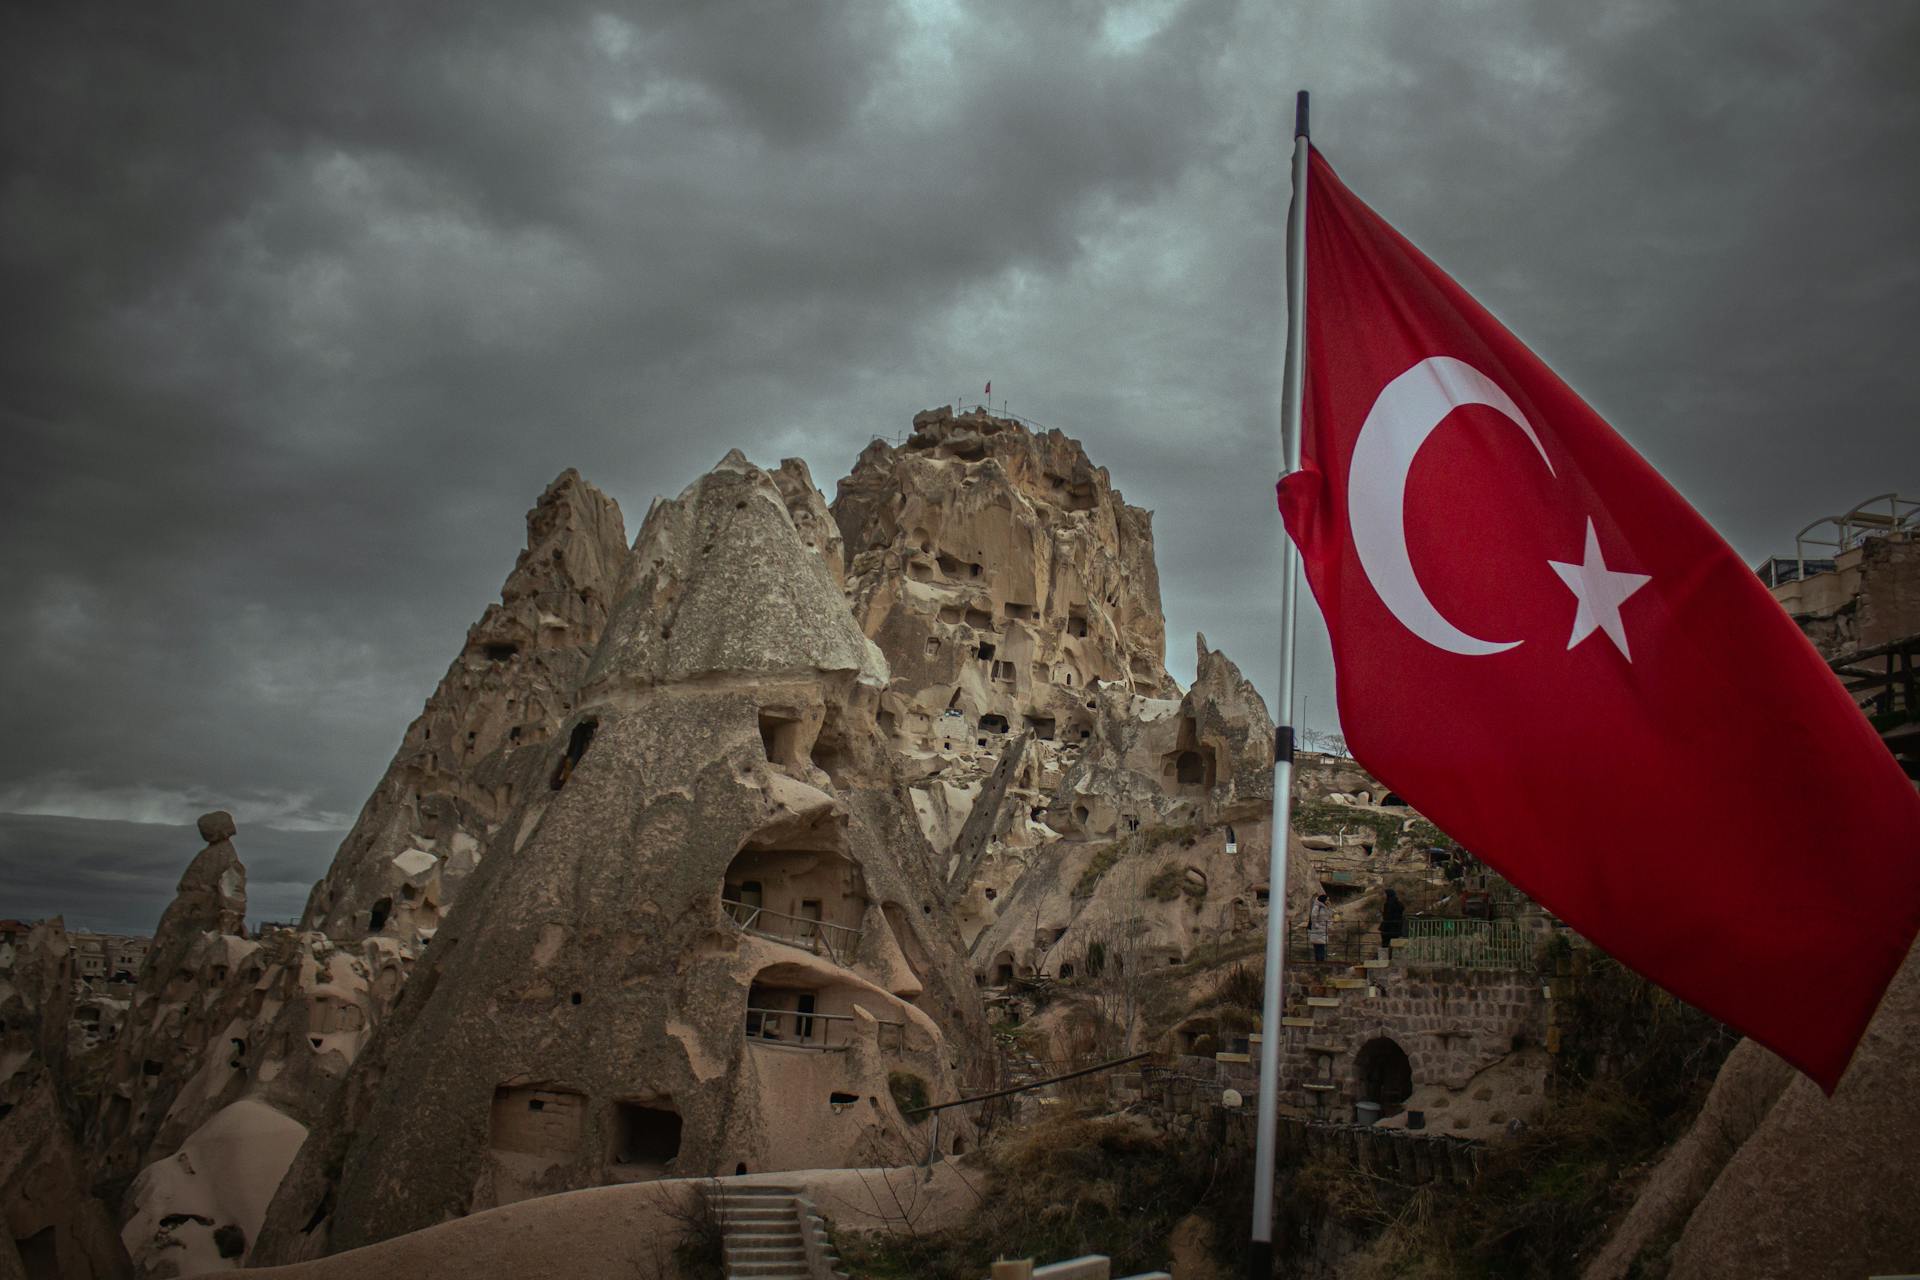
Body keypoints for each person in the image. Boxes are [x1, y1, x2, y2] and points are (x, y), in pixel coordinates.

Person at [1307, 892, 1332, 962]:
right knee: (1318, 946)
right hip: (1317, 929)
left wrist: (1329, 924)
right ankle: (1319, 960)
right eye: (1327, 900)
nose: (1328, 901)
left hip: (1323, 929)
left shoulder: (1326, 907)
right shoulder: (1317, 907)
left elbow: (1329, 916)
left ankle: (1321, 960)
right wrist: (1316, 925)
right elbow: (1313, 916)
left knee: (1322, 946)